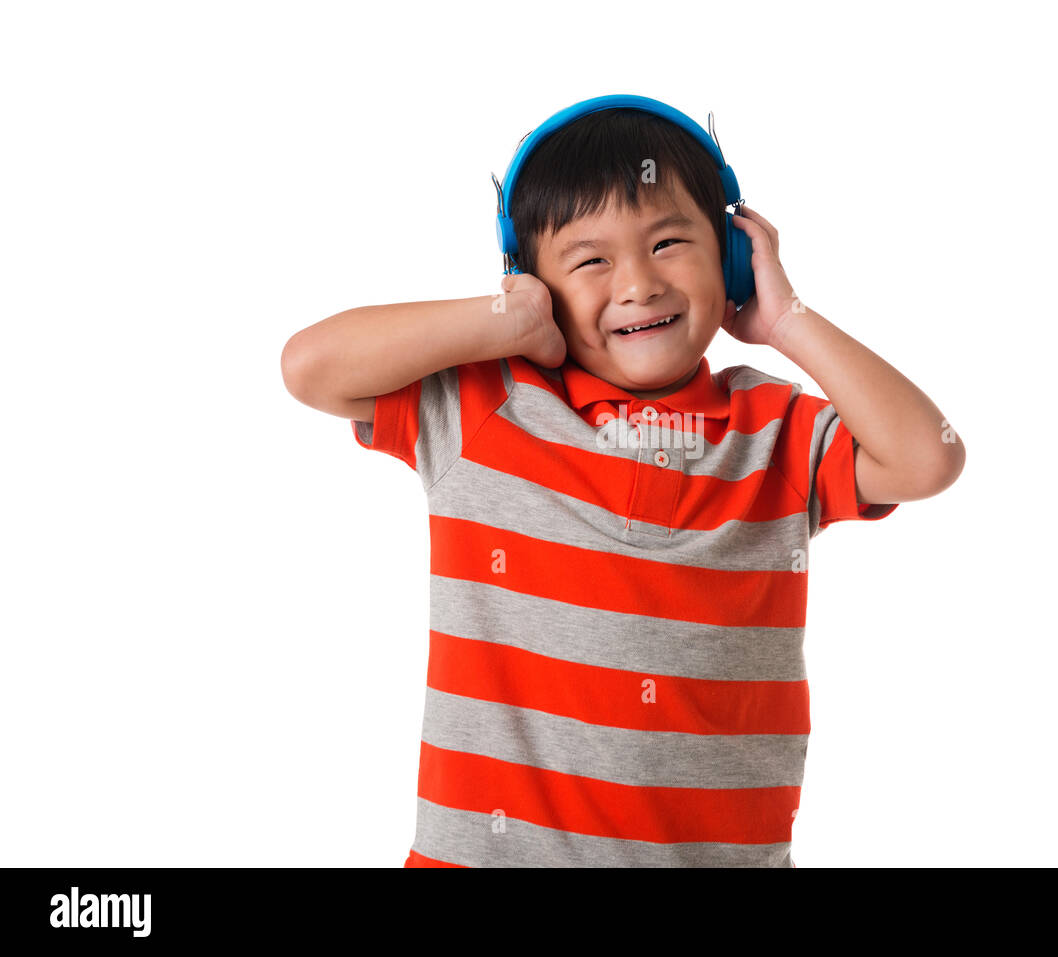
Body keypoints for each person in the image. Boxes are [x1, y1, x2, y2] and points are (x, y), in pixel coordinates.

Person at [280, 101, 965, 867]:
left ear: (732, 262)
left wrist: (787, 321)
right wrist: (500, 323)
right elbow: (310, 367)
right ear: (532, 284)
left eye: (669, 242)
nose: (639, 283)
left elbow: (926, 459)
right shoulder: (485, 407)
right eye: (590, 260)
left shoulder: (776, 434)